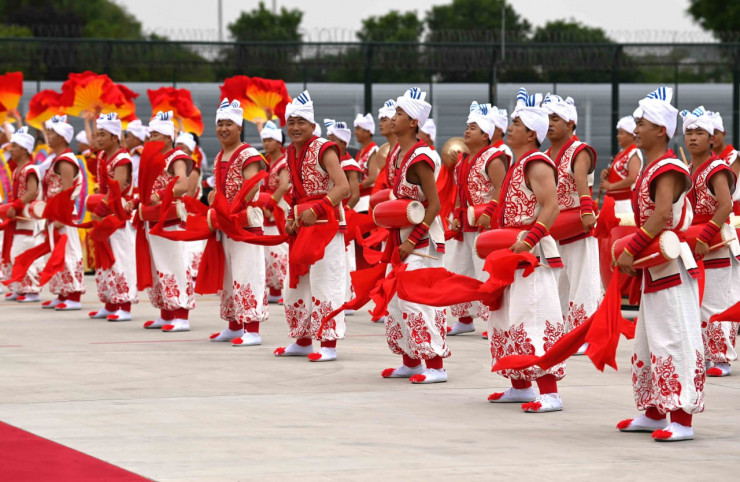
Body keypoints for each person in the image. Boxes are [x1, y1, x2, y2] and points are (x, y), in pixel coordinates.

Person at [615, 86, 703, 442]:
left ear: (662, 130)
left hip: (670, 265)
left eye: (642, 123)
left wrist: (631, 248)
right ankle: (654, 412)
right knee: (649, 339)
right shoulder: (650, 167)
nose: (636, 128)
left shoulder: (668, 167)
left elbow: (663, 213)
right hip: (655, 266)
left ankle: (681, 418)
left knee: (674, 338)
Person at [485, 88, 565, 412]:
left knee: (534, 318)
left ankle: (550, 393)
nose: (510, 127)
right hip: (511, 254)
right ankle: (520, 386)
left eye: (516, 123)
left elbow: (552, 206)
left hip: (532, 256)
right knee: (509, 319)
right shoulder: (517, 164)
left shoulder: (537, 163)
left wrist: (529, 240)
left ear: (532, 133)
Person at [274, 91, 350, 362]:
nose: (295, 127)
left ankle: (328, 343)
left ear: (312, 125)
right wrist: (291, 218)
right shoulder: (290, 152)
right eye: (291, 122)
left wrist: (317, 209)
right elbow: (296, 192)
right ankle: (303, 340)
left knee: (325, 282)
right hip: (303, 225)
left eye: (301, 122)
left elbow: (344, 187)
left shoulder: (323, 148)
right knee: (297, 284)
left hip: (327, 224)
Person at [380, 87, 448, 384]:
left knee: (417, 300)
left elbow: (435, 205)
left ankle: (436, 365)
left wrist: (412, 240)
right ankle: (411, 361)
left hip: (422, 241)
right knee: (396, 300)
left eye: (399, 113)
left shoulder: (420, 157)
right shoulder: (396, 153)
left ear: (413, 122)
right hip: (401, 237)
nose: (393, 118)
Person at [681, 106, 739, 378]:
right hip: (694, 242)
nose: (693, 137)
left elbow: (726, 205)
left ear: (712, 139)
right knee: (697, 302)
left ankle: (721, 359)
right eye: (689, 133)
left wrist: (704, 236)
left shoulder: (717, 168)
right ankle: (702, 355)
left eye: (700, 133)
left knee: (715, 303)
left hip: (715, 242)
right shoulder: (686, 169)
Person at [207, 99, 270, 347]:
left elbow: (252, 185)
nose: (223, 128)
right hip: (226, 223)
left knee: (248, 273)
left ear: (239, 127)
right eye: (220, 124)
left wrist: (231, 207)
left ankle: (252, 329)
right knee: (229, 276)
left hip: (245, 223)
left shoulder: (248, 154)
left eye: (229, 124)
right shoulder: (219, 155)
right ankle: (234, 325)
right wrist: (215, 199)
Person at [542, 94, 600, 353]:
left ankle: (585, 336)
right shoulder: (545, 155)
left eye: (555, 118)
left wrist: (587, 211)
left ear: (570, 123)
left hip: (578, 225)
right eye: (547, 118)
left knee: (583, 281)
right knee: (558, 283)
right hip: (554, 228)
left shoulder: (579, 150)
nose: (549, 123)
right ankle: (562, 332)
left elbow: (581, 182)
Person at [445, 102, 509, 336]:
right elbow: (460, 191)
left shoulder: (494, 158)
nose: (467, 131)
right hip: (466, 225)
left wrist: (488, 213)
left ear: (485, 135)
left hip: (486, 227)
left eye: (473, 128)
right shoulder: (462, 160)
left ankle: (496, 322)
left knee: (486, 273)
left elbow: (501, 189)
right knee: (461, 271)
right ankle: (464, 319)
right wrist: (456, 214)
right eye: (467, 127)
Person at [140, 111, 196, 333]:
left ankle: (181, 316)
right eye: (150, 134)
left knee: (175, 265)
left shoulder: (176, 157)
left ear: (166, 136)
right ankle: (166, 314)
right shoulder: (152, 160)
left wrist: (161, 194)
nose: (151, 138)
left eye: (155, 134)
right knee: (158, 267)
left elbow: (182, 185)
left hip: (171, 219)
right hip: (153, 218)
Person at [88, 112, 137, 322]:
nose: (98, 139)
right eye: (97, 134)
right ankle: (110, 303)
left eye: (102, 134)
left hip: (118, 216)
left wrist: (99, 208)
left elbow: (117, 190)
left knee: (120, 259)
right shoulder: (102, 156)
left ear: (115, 137)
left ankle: (124, 306)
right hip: (106, 214)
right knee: (105, 261)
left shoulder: (122, 159)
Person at [41, 115, 85, 310]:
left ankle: (73, 296)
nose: (48, 136)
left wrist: (61, 216)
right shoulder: (58, 159)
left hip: (64, 215)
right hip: (55, 214)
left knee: (69, 253)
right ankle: (62, 293)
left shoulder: (66, 161)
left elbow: (67, 193)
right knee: (57, 255)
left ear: (61, 137)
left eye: (51, 133)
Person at [1, 127, 43, 302]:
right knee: (14, 252)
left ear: (25, 149)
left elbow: (32, 192)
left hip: (29, 219)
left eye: (14, 146)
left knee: (24, 252)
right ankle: (19, 287)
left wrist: (16, 206)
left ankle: (32, 290)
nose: (11, 149)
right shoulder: (18, 169)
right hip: (19, 218)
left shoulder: (30, 169)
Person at [326, 119, 361, 307]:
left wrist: (345, 212)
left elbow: (354, 195)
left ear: (343, 143)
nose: (329, 142)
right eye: (328, 138)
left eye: (333, 139)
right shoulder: (328, 161)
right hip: (328, 215)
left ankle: (346, 297)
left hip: (343, 217)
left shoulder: (349, 164)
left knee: (346, 258)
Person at [259, 120, 290, 303]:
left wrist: (271, 203)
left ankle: (286, 290)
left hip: (279, 207)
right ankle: (274, 291)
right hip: (268, 209)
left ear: (279, 142)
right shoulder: (268, 162)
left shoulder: (283, 162)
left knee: (280, 250)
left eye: (270, 140)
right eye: (264, 140)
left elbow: (284, 186)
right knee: (269, 252)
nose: (266, 143)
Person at [174, 131, 206, 280]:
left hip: (191, 214)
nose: (179, 148)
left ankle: (193, 281)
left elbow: (189, 194)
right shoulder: (176, 167)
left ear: (190, 149)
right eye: (178, 145)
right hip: (180, 212)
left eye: (183, 146)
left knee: (191, 249)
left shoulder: (193, 169)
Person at [600, 116, 643, 214]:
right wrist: (606, 174)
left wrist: (611, 186)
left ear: (631, 135)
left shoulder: (634, 152)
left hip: (625, 203)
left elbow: (633, 178)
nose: (618, 136)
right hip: (614, 202)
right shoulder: (621, 153)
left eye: (621, 133)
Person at [708, 111, 740, 214]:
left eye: (715, 132)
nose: (713, 137)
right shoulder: (705, 159)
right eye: (709, 134)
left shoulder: (734, 157)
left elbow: (729, 189)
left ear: (724, 133)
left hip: (733, 213)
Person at [354, 113, 378, 213]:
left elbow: (373, 178)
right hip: (358, 200)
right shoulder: (360, 153)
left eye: (358, 129)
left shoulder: (373, 151)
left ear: (368, 132)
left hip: (366, 201)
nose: (355, 132)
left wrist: (354, 187)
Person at [124, 119, 147, 191]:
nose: (126, 139)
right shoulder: (134, 153)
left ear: (137, 139)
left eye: (128, 136)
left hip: (136, 192)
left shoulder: (138, 154)